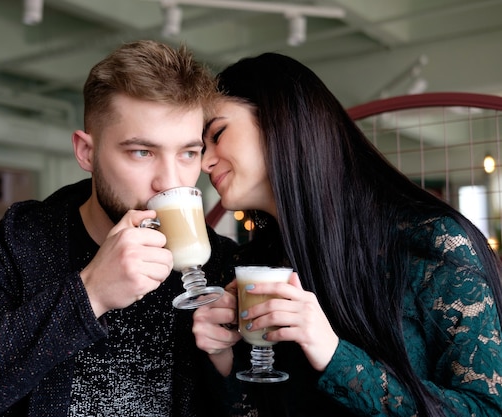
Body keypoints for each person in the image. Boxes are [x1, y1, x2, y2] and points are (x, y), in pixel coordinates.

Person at [0, 40, 242, 417]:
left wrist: (225, 363)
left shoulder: (218, 264)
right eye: (142, 152)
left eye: (188, 153)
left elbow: (248, 405)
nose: (169, 182)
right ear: (86, 152)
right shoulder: (17, 247)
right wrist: (88, 294)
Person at [193, 52, 502, 417]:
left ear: (279, 120)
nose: (203, 161)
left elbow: (486, 409)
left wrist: (334, 354)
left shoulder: (431, 242)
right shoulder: (251, 266)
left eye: (217, 134)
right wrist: (224, 359)